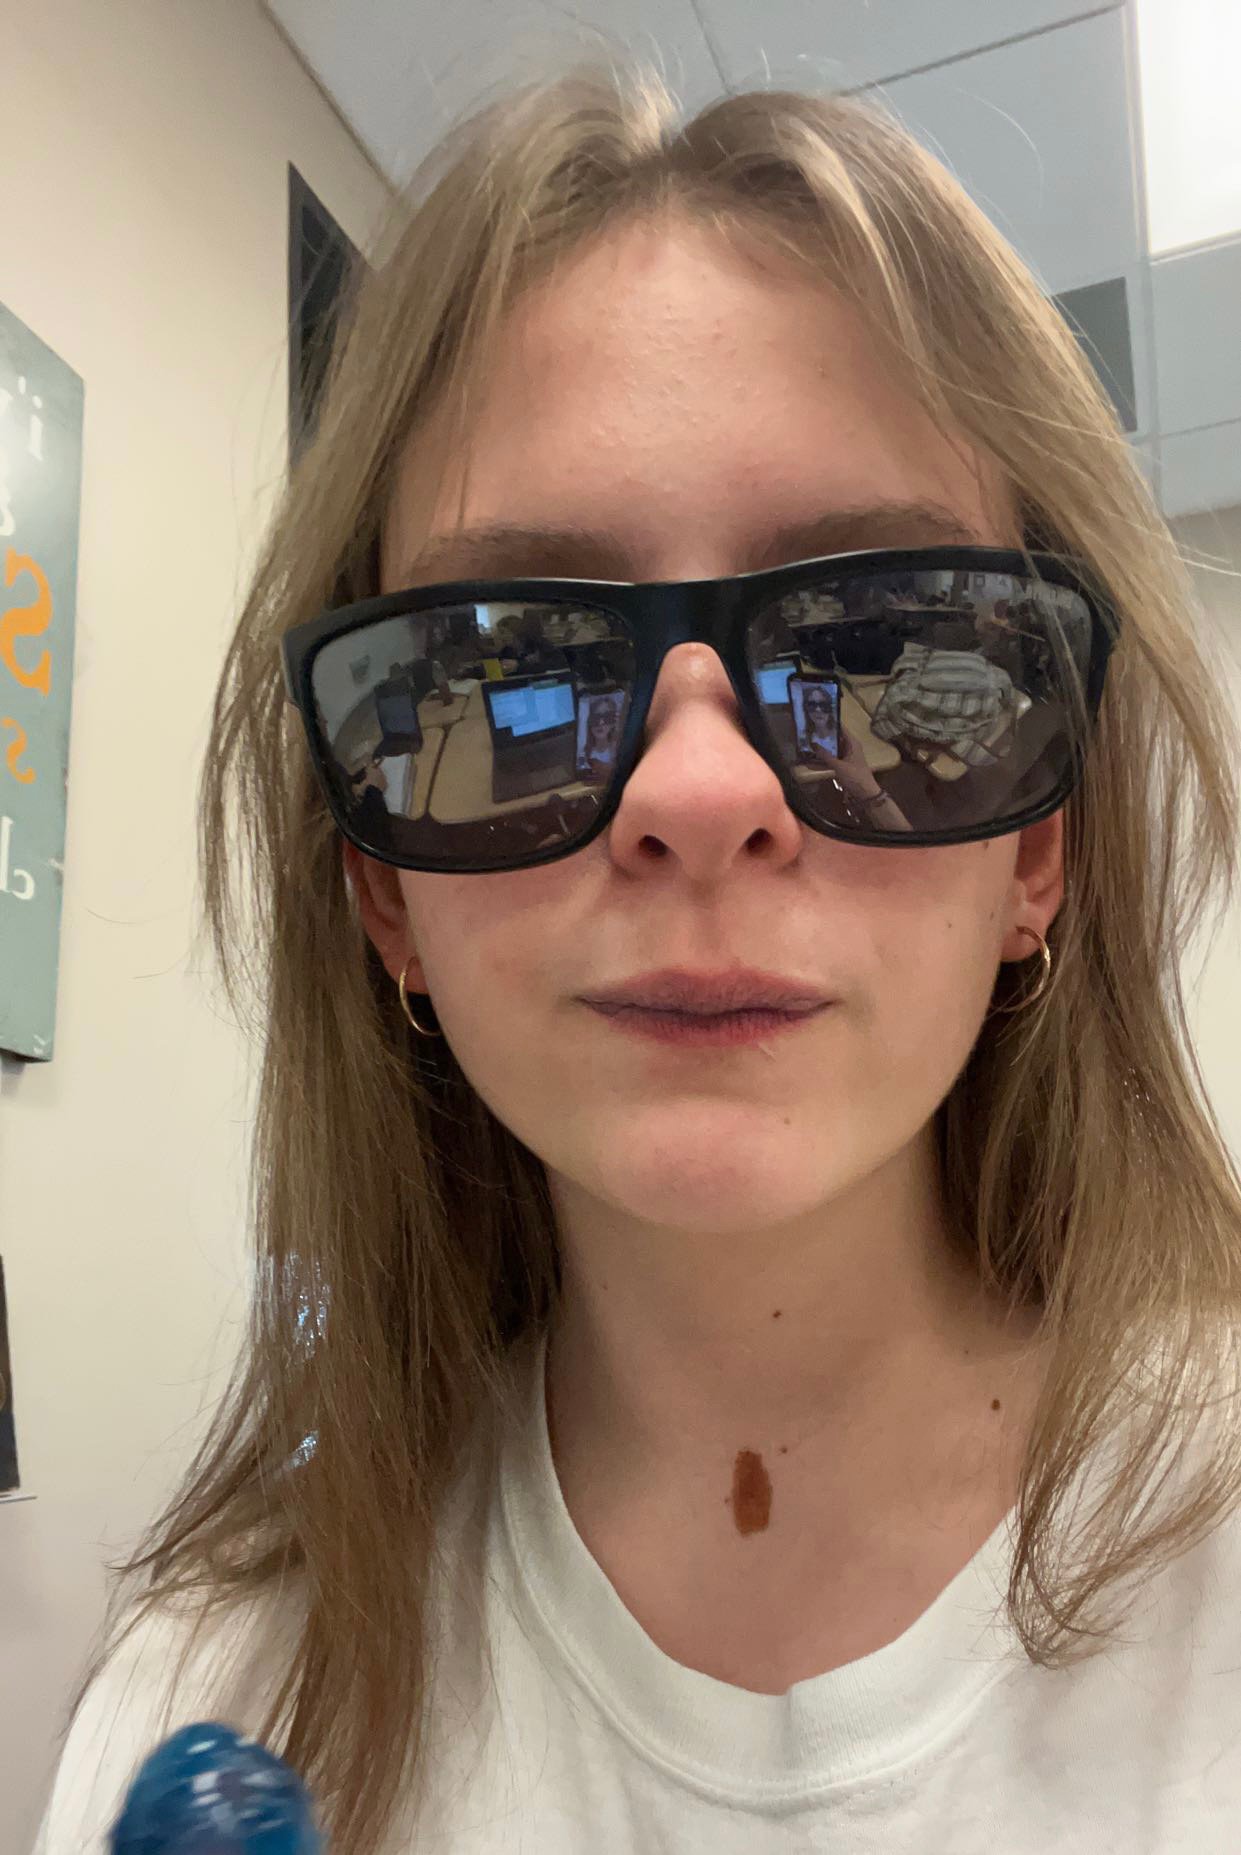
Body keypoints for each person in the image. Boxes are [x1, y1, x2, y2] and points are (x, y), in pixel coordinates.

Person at [38, 62, 1241, 1855]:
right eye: (508, 670)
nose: (696, 792)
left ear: (1035, 845)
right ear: (383, 888)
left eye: (876, 649)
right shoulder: (211, 1707)